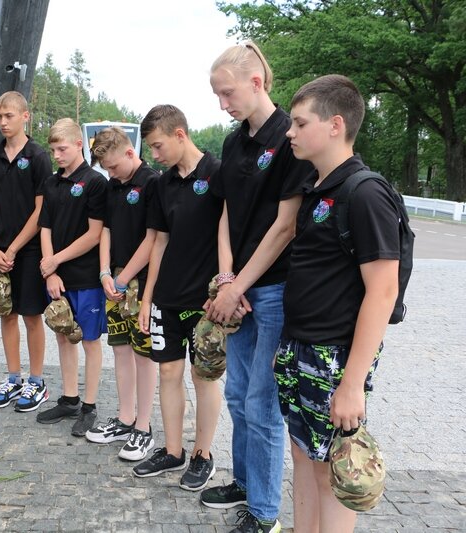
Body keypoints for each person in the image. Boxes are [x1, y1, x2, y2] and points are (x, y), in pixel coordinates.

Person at [276, 74, 399, 533]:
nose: (290, 132)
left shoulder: (365, 192)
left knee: (334, 472)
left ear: (335, 125)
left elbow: (383, 291)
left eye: (299, 122)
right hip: (300, 348)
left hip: (334, 357)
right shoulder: (317, 189)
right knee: (304, 460)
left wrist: (351, 385)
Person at [201, 42, 314, 533]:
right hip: (238, 288)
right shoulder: (233, 143)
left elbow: (285, 226)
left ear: (256, 82)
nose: (222, 103)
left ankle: (265, 513)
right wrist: (226, 279)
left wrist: (239, 285)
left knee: (262, 405)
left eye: (227, 93)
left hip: (272, 290)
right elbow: (226, 212)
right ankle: (245, 483)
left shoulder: (290, 138)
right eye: (217, 95)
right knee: (237, 395)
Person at [132, 105, 223, 490]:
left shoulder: (217, 174)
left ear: (180, 134)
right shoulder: (161, 184)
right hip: (167, 297)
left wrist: (224, 289)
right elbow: (159, 242)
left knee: (203, 377)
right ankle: (173, 451)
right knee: (168, 372)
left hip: (205, 302)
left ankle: (203, 454)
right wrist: (147, 298)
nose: (154, 155)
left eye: (158, 146)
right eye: (150, 148)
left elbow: (229, 236)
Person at [84, 126, 158, 462]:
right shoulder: (113, 186)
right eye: (106, 169)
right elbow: (107, 231)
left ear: (130, 152)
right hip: (114, 280)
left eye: (113, 166)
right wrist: (105, 273)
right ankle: (125, 418)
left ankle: (144, 426)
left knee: (144, 355)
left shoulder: (152, 182)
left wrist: (125, 278)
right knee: (120, 349)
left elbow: (153, 239)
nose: (110, 174)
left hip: (140, 282)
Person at [0, 91, 50, 412]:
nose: (3, 122)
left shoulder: (38, 157)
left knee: (32, 316)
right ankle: (13, 378)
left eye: (9, 116)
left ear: (25, 116)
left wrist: (14, 248)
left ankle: (36, 382)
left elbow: (40, 210)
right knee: (6, 314)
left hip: (29, 251)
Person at [36, 118, 107, 437]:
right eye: (53, 150)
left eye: (62, 149)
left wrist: (55, 260)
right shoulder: (51, 183)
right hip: (57, 278)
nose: (57, 156)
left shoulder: (95, 182)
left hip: (86, 278)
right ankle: (69, 399)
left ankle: (89, 407)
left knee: (89, 340)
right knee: (63, 336)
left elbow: (94, 234)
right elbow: (45, 228)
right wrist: (50, 271)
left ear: (79, 144)